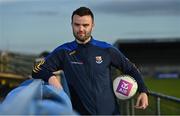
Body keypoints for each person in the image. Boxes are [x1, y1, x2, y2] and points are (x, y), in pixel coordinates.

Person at [32, 6, 148, 115]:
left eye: (85, 25)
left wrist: (143, 91)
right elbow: (37, 69)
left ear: (93, 25)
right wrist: (52, 79)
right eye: (77, 25)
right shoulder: (64, 51)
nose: (81, 29)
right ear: (71, 25)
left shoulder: (106, 49)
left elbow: (130, 68)